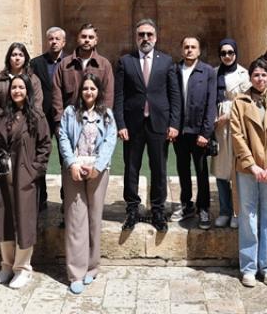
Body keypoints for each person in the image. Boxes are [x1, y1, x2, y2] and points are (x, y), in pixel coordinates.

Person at [113, 19, 179, 231]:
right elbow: (119, 96)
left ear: (155, 37)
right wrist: (120, 124)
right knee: (131, 167)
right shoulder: (126, 61)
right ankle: (132, 208)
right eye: (141, 34)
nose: (145, 38)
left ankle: (158, 209)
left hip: (159, 123)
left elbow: (174, 95)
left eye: (149, 34)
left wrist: (174, 123)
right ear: (136, 37)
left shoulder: (166, 61)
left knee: (159, 168)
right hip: (132, 124)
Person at [229, 59, 267, 288]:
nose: (260, 79)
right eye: (256, 75)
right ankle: (248, 267)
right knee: (248, 216)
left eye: (264, 75)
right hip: (248, 169)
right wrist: (252, 165)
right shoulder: (240, 102)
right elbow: (236, 135)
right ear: (250, 77)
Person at [0, 74, 50, 289]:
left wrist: (34, 171)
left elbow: (45, 146)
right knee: (3, 219)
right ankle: (6, 265)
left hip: (25, 177)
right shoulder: (2, 117)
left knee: (24, 221)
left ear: (27, 90)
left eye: (21, 87)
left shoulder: (37, 116)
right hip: (2, 177)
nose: (17, 91)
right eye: (14, 87)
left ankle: (22, 268)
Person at [59, 73, 118, 295]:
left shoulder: (106, 114)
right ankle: (76, 272)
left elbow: (110, 140)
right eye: (85, 88)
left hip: (97, 171)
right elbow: (63, 137)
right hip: (74, 170)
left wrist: (98, 166)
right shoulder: (70, 112)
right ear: (80, 91)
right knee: (76, 219)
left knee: (94, 218)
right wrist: (72, 163)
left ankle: (92, 267)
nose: (89, 92)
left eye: (93, 89)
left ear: (98, 91)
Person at [172, 36, 219, 229]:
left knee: (201, 171)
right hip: (179, 131)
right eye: (186, 47)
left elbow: (211, 103)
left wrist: (206, 133)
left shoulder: (207, 71)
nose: (189, 50)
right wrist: (172, 126)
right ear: (181, 50)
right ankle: (186, 204)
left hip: (199, 131)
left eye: (193, 47)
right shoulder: (175, 70)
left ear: (199, 51)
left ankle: (204, 207)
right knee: (182, 169)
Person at [213, 38, 250, 228]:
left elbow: (246, 100)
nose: (227, 56)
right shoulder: (214, 73)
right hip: (218, 126)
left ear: (235, 53)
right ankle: (224, 210)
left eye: (230, 53)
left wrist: (228, 116)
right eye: (223, 53)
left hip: (236, 122)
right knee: (221, 169)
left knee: (236, 169)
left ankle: (237, 211)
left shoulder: (243, 74)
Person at [29, 26, 66, 209]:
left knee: (65, 157)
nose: (54, 42)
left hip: (63, 116)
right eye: (51, 39)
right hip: (41, 116)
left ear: (63, 42)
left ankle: (66, 197)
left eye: (57, 39)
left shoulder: (69, 62)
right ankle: (40, 197)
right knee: (40, 155)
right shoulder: (36, 63)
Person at [0, 42, 44, 117]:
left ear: (25, 58)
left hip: (28, 121)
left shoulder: (33, 79)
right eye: (14, 55)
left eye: (21, 55)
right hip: (4, 120)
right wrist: (3, 118)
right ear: (9, 58)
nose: (17, 58)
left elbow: (37, 104)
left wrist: (25, 119)